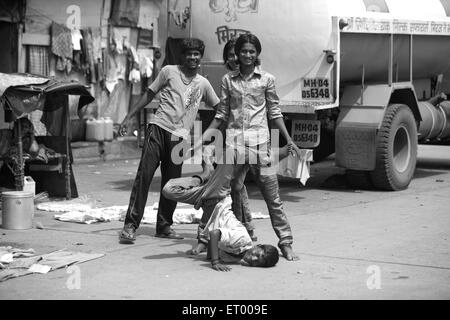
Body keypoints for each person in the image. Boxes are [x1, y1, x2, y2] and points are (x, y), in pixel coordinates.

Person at [198, 33, 301, 261]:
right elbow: (222, 114)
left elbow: (274, 113)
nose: (247, 55)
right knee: (221, 192)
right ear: (238, 54)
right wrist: (202, 137)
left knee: (272, 196)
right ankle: (207, 239)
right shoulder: (228, 80)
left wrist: (288, 139)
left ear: (257, 54)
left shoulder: (267, 80)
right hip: (234, 145)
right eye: (243, 51)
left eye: (251, 51)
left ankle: (286, 242)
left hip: (260, 145)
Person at [118, 38, 220, 243]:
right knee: (144, 177)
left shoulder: (203, 83)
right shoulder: (168, 71)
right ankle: (130, 225)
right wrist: (129, 117)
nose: (192, 57)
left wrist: (210, 136)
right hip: (158, 128)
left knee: (171, 184)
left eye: (196, 54)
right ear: (182, 56)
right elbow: (149, 94)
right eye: (189, 54)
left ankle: (164, 226)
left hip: (180, 138)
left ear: (201, 57)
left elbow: (219, 109)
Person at [162, 161, 282, 271]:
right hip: (218, 195)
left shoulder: (235, 257)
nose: (254, 259)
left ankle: (205, 177)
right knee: (230, 156)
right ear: (258, 246)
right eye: (258, 254)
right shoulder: (241, 239)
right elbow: (215, 234)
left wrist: (208, 254)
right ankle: (207, 175)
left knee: (168, 190)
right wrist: (215, 262)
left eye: (258, 262)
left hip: (207, 201)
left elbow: (214, 237)